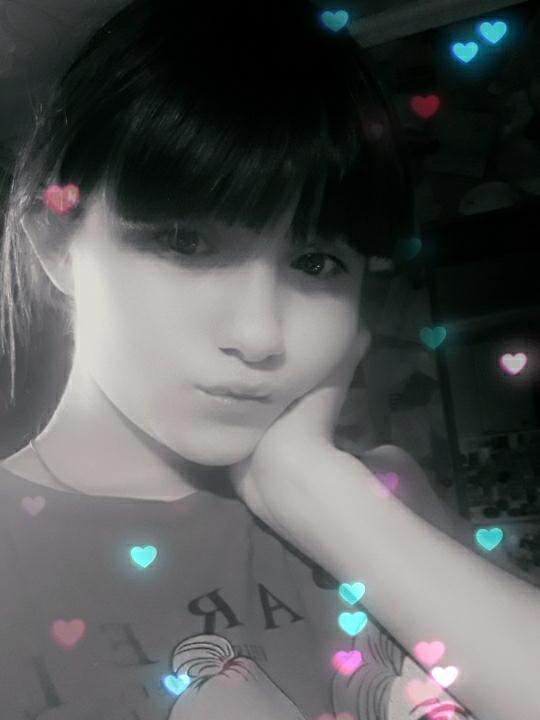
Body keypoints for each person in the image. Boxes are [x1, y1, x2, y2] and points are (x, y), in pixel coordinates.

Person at [1, 1, 535, 719]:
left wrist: (314, 490)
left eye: (316, 262)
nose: (259, 336)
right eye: (185, 243)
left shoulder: (381, 493)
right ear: (53, 242)